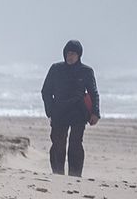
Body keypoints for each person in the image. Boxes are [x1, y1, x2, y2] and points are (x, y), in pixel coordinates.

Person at [40, 39, 100, 177]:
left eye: (73, 53)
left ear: (79, 55)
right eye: (68, 53)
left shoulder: (86, 71)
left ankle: (75, 175)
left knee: (75, 144)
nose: (70, 56)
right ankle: (57, 173)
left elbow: (93, 93)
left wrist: (95, 112)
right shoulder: (56, 69)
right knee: (58, 144)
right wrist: (50, 111)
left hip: (78, 112)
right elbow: (46, 91)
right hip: (59, 112)